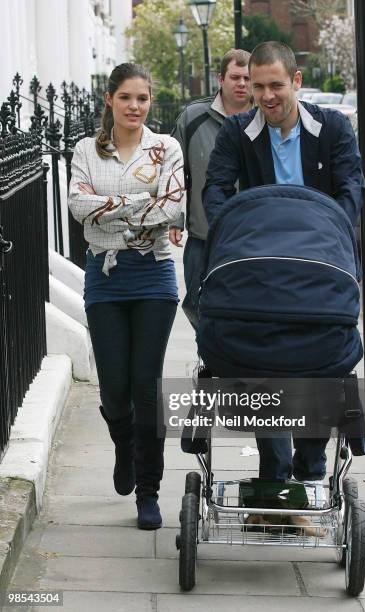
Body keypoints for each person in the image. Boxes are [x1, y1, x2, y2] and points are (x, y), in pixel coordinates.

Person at [202, 42, 365, 531]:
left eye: (276, 85)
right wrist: (231, 230)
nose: (267, 96)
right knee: (267, 371)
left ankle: (308, 481)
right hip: (262, 272)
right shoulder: (237, 131)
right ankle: (275, 489)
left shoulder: (333, 128)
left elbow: (351, 188)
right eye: (257, 87)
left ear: (296, 81)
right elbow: (215, 188)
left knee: (319, 369)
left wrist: (331, 235)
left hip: (319, 271)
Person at [68, 63, 185, 530]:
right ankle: (124, 446)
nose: (135, 107)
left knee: (146, 385)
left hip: (154, 275)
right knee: (115, 389)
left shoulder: (166, 148)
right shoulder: (84, 150)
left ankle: (149, 491)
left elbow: (174, 206)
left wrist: (110, 211)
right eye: (126, 98)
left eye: (143, 99)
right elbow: (78, 206)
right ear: (109, 101)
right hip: (105, 277)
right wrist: (143, 207)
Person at [170, 49, 252, 330]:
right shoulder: (193, 118)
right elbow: (172, 171)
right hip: (203, 236)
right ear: (220, 79)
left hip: (252, 239)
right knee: (196, 304)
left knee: (247, 310)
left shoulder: (267, 119)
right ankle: (209, 359)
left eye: (247, 78)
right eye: (235, 77)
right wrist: (174, 219)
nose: (242, 83)